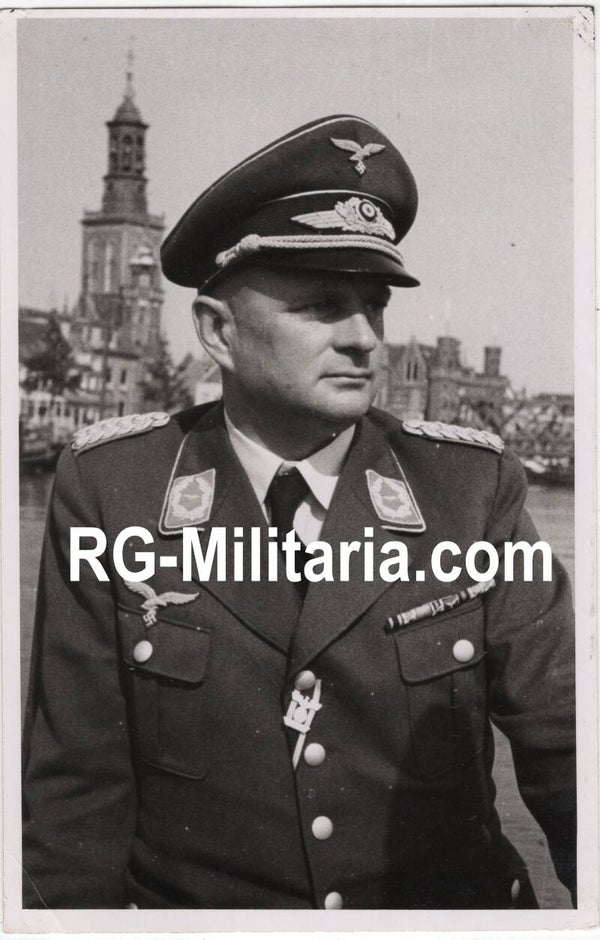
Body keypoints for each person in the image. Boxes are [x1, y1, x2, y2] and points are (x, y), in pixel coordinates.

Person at [22, 114, 575, 910]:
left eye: (373, 305)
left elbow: (569, 742)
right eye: (322, 306)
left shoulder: (469, 490)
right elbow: (74, 808)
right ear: (218, 332)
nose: (364, 340)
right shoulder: (114, 491)